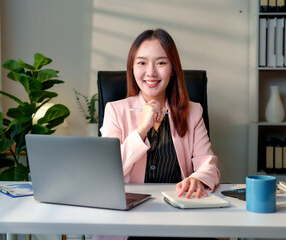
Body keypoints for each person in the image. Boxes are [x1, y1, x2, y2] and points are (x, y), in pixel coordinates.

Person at [94, 29, 220, 240]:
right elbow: (107, 171)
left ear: (172, 70)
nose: (151, 72)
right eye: (142, 63)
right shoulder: (115, 110)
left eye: (161, 63)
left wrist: (197, 179)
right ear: (132, 68)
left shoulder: (193, 111)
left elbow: (208, 165)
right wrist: (142, 128)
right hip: (129, 219)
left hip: (179, 215)